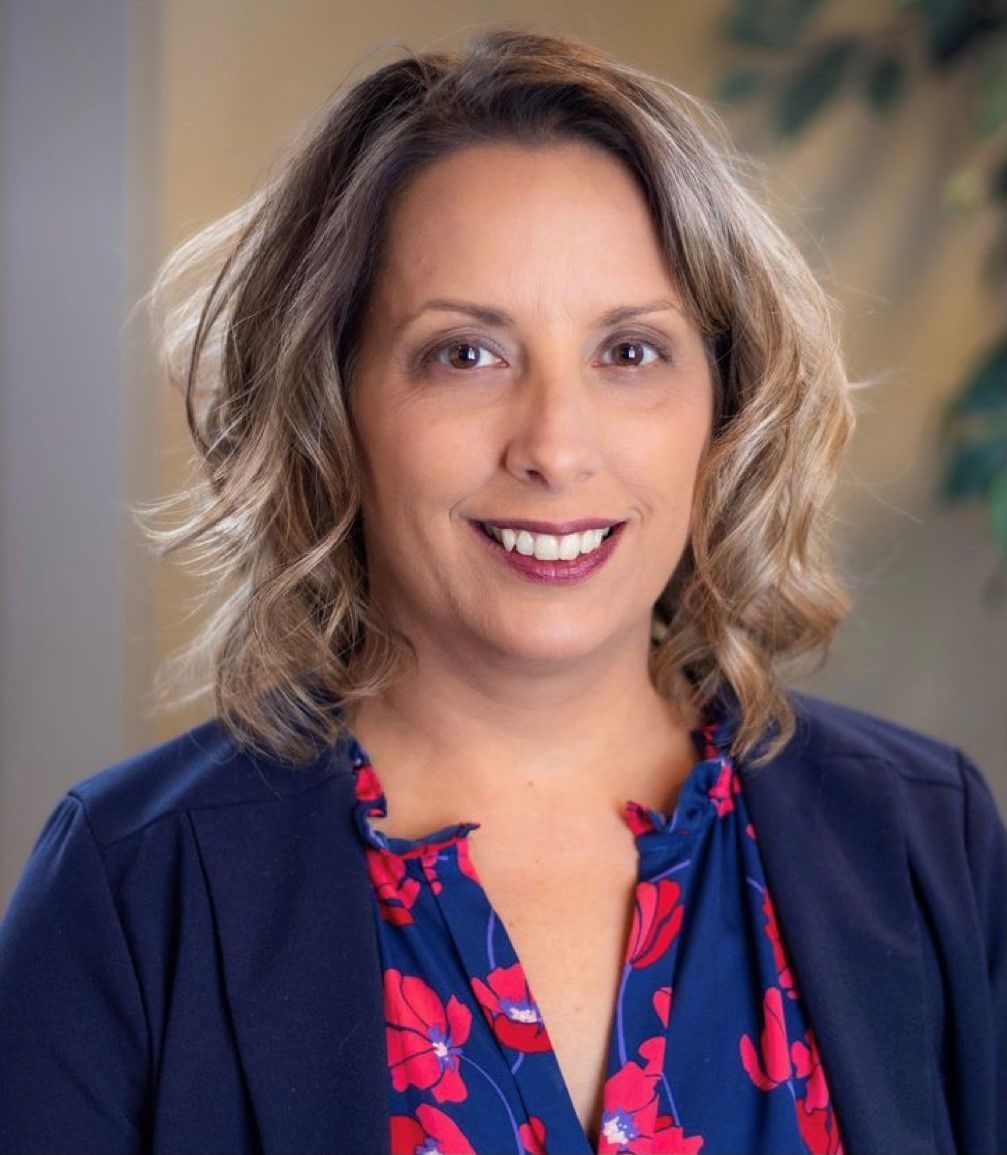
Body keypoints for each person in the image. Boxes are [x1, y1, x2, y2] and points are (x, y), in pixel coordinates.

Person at [0, 25, 1003, 1155]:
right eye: (464, 355)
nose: (555, 447)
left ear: (722, 408)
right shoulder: (134, 886)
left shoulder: (926, 841)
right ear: (330, 409)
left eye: (628, 353)